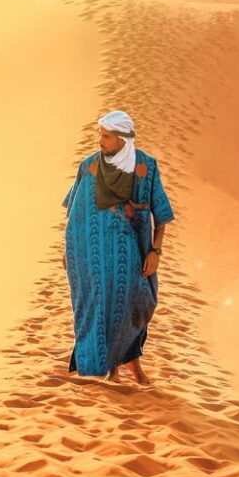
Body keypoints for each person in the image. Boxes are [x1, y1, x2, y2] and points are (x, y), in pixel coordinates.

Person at [61, 109, 175, 384]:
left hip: (130, 253)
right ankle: (116, 370)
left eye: (107, 137)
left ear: (123, 139)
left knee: (134, 304)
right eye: (101, 135)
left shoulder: (145, 168)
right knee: (99, 307)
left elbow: (161, 214)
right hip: (90, 252)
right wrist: (68, 250)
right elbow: (74, 211)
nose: (101, 142)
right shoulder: (89, 166)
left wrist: (155, 251)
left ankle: (130, 367)